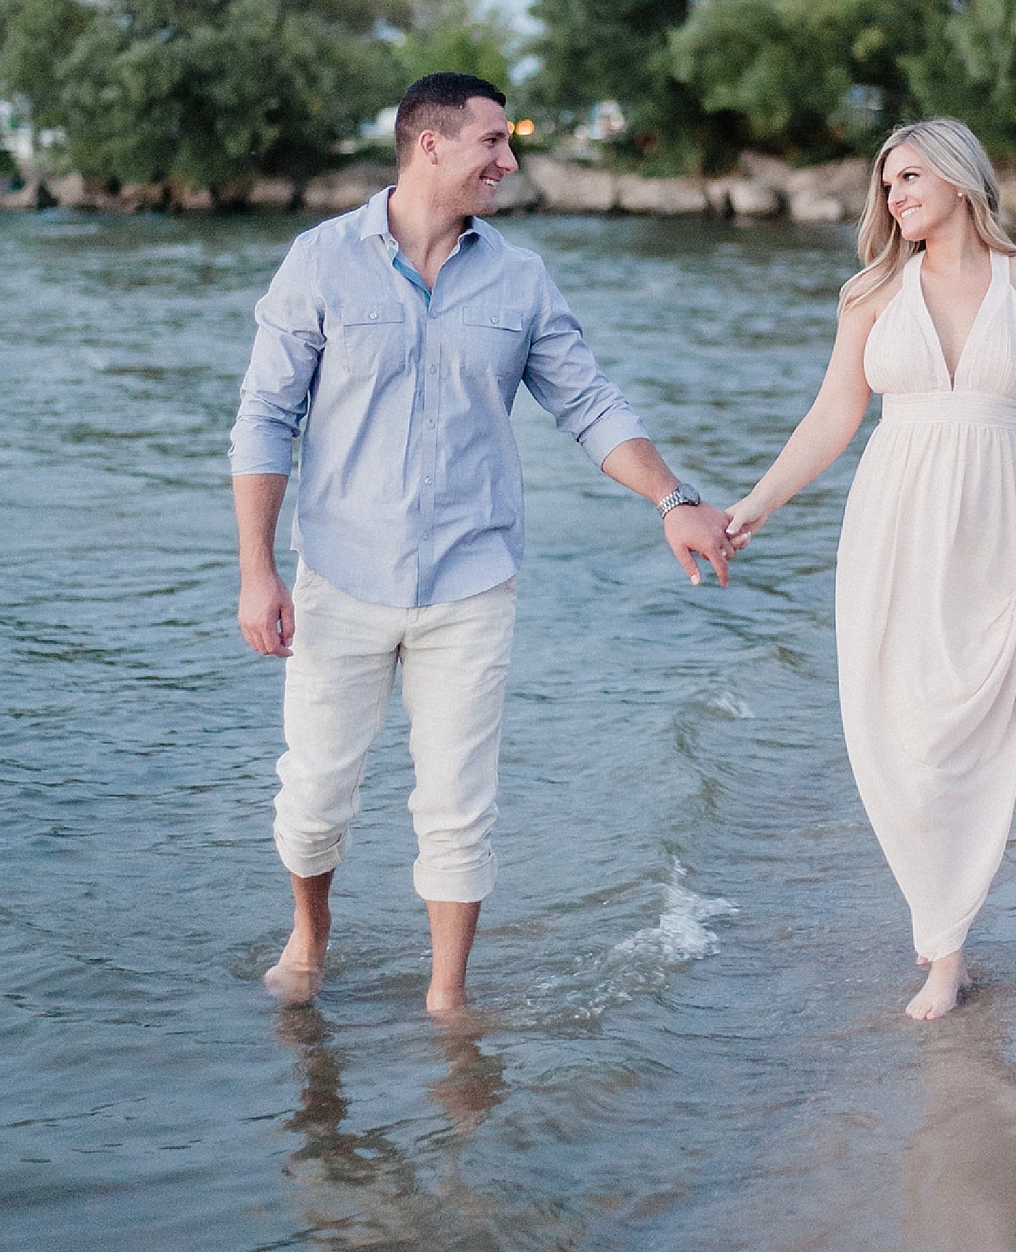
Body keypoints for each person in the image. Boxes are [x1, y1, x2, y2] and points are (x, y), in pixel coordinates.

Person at [231, 72, 733, 1014]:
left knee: (459, 805)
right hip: (338, 576)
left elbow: (589, 405)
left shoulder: (520, 279)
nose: (509, 160)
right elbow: (265, 417)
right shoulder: (321, 261)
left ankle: (448, 998)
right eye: (493, 142)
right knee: (314, 797)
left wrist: (674, 499)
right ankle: (309, 934)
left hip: (472, 580)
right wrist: (257, 571)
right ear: (431, 145)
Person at [725, 118, 1016, 1020]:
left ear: (959, 178)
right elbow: (834, 415)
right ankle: (944, 946)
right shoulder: (874, 293)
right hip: (895, 529)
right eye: (887, 184)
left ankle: (948, 922)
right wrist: (757, 503)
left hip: (998, 528)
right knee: (903, 734)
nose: (895, 196)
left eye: (911, 177)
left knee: (978, 730)